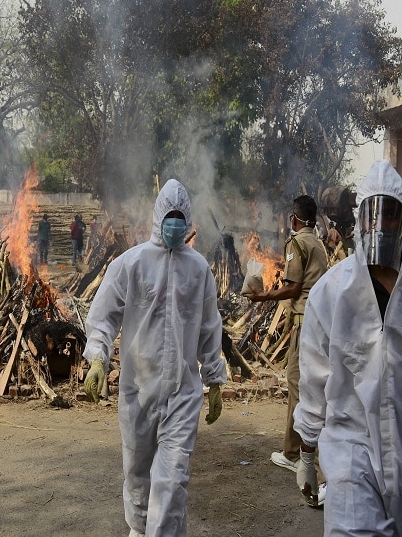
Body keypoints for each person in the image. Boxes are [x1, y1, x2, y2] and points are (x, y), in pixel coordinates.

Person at [82, 179, 226, 536]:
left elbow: (209, 328)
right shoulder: (130, 264)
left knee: (173, 481)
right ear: (159, 215)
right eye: (171, 215)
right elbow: (103, 316)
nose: (176, 222)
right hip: (137, 391)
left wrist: (215, 380)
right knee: (137, 475)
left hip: (182, 392)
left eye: (181, 216)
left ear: (188, 219)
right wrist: (98, 359)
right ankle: (138, 529)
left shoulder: (199, 270)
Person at [293, 160, 402, 535]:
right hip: (352, 447)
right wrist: (307, 452)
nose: (379, 226)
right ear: (359, 221)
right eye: (372, 217)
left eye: (390, 217)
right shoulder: (332, 293)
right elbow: (314, 379)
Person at [243, 195, 328, 504]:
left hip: (306, 321)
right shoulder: (317, 242)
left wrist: (262, 297)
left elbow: (292, 287)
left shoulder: (298, 244)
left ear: (295, 219)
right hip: (317, 319)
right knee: (302, 384)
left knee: (298, 383)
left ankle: (301, 455)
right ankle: (294, 450)